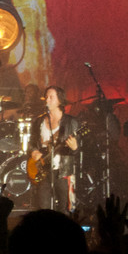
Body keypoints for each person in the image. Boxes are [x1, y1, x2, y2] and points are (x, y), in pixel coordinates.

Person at [27, 85, 81, 213]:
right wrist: (34, 151)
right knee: (43, 208)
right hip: (43, 170)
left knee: (64, 209)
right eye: (46, 97)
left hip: (63, 171)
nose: (47, 100)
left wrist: (75, 148)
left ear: (60, 101)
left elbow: (78, 149)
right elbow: (31, 143)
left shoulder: (70, 122)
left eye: (51, 97)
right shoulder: (38, 121)